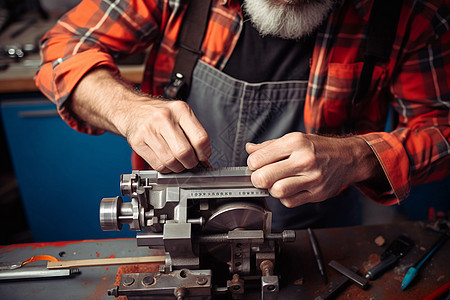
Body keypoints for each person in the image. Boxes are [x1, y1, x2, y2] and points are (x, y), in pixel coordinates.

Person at [35, 0, 450, 231]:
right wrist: (129, 110)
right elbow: (64, 47)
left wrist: (358, 157)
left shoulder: (411, 13)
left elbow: (442, 126)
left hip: (318, 236)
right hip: (178, 231)